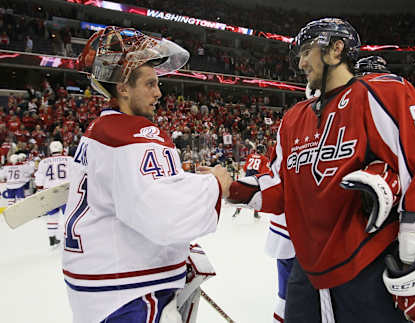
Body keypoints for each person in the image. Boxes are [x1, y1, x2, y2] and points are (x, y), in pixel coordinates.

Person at [227, 18, 415, 322]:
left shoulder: (382, 95)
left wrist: (414, 249)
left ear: (336, 49)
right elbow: (281, 185)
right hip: (307, 268)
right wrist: (233, 190)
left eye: (307, 51)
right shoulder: (293, 118)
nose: (301, 63)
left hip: (368, 264)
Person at [63, 26, 232, 323]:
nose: (158, 92)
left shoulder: (99, 131)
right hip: (130, 293)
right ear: (123, 88)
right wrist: (216, 184)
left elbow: (135, 191)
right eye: (150, 84)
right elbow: (165, 214)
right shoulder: (135, 133)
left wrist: (192, 181)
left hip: (99, 290)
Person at [34, 141, 73, 247]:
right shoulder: (69, 159)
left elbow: (39, 179)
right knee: (68, 216)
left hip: (50, 192)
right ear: (61, 148)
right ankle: (69, 237)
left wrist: (40, 188)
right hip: (66, 191)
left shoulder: (43, 162)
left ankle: (52, 237)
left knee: (52, 216)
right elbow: (77, 174)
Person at [233, 144, 269, 218]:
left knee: (243, 195)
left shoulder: (250, 156)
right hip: (256, 179)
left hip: (247, 178)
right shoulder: (264, 159)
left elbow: (245, 168)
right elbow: (264, 172)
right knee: (259, 195)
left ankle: (238, 210)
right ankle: (256, 213)